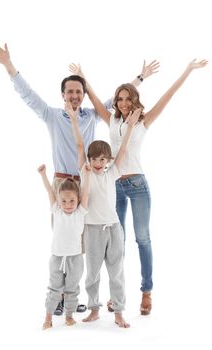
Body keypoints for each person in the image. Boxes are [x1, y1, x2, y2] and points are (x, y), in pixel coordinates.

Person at [0, 40, 159, 315]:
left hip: (88, 184)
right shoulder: (51, 115)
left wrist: (141, 77)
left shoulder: (91, 115)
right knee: (62, 241)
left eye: (79, 91)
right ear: (63, 95)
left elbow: (116, 98)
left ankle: (72, 298)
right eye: (70, 92)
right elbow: (27, 94)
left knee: (82, 246)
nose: (75, 95)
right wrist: (9, 65)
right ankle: (56, 298)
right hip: (62, 184)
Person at [69, 58, 208, 316]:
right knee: (117, 242)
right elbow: (96, 97)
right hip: (115, 186)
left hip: (138, 184)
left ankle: (146, 291)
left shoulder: (143, 121)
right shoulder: (111, 120)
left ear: (134, 100)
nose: (123, 102)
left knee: (142, 238)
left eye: (127, 98)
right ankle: (116, 295)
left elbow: (170, 93)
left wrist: (187, 69)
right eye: (120, 98)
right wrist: (82, 76)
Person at [66, 99, 142, 328]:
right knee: (92, 273)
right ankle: (94, 309)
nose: (98, 163)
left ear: (108, 161)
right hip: (92, 229)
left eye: (102, 159)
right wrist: (73, 120)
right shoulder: (84, 172)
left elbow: (124, 148)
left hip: (113, 228)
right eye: (94, 159)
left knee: (116, 271)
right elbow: (80, 146)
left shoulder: (112, 172)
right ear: (89, 160)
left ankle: (118, 311)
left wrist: (129, 127)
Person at [38, 163, 91, 329]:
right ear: (59, 201)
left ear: (78, 199)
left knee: (72, 288)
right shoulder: (57, 210)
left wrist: (87, 175)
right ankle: (48, 318)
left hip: (75, 257)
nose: (68, 204)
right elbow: (49, 191)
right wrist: (43, 175)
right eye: (64, 201)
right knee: (54, 288)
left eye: (72, 201)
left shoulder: (80, 211)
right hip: (57, 257)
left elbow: (86, 191)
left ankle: (69, 316)